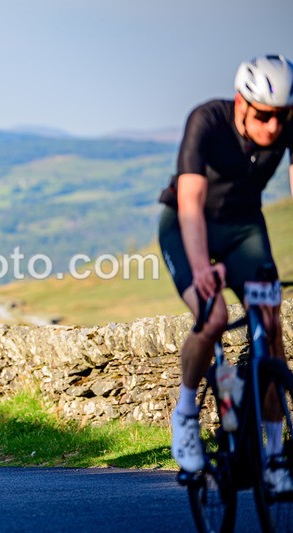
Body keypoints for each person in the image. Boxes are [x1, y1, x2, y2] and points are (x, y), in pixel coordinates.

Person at [158, 55, 293, 487]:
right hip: (186, 224)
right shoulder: (208, 121)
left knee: (271, 328)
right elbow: (190, 202)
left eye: (282, 117)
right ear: (241, 103)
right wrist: (201, 270)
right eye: (264, 117)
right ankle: (184, 414)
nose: (273, 128)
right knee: (213, 316)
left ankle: (274, 456)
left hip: (242, 228)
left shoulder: (285, 125)